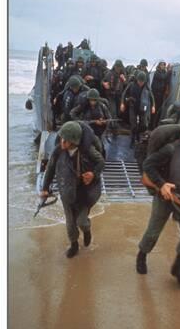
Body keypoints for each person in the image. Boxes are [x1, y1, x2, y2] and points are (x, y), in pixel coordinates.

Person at [136, 113, 180, 286]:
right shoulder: (171, 148)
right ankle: (142, 255)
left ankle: (177, 265)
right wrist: (161, 184)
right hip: (165, 197)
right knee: (154, 230)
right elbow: (148, 165)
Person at [40, 121, 104, 258]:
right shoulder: (58, 150)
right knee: (70, 223)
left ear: (74, 141)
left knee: (82, 221)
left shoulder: (87, 151)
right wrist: (45, 188)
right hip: (66, 191)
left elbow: (100, 162)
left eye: (66, 140)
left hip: (84, 193)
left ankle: (87, 231)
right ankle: (74, 244)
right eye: (62, 138)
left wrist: (93, 174)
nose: (62, 142)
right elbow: (50, 169)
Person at [120, 71, 156, 147]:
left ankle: (138, 135)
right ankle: (132, 139)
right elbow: (124, 93)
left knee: (143, 124)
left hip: (142, 107)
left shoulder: (146, 86)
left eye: (142, 81)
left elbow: (151, 96)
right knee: (133, 125)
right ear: (137, 80)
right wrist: (122, 103)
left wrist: (153, 106)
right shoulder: (131, 85)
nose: (140, 83)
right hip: (133, 106)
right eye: (139, 81)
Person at [101, 59, 126, 132]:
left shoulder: (123, 74)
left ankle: (116, 124)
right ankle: (113, 126)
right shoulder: (109, 73)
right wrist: (104, 84)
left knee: (119, 111)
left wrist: (124, 79)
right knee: (113, 111)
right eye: (117, 67)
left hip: (119, 96)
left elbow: (127, 84)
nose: (118, 68)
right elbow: (103, 81)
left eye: (119, 67)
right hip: (111, 95)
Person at [151, 61, 171, 125]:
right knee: (155, 111)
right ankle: (151, 125)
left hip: (161, 95)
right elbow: (163, 77)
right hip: (155, 95)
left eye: (164, 65)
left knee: (159, 111)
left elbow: (166, 79)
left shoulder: (164, 72)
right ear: (159, 66)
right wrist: (169, 71)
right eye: (162, 65)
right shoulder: (157, 73)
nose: (163, 66)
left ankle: (156, 124)